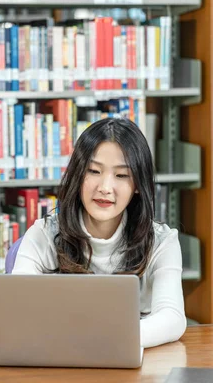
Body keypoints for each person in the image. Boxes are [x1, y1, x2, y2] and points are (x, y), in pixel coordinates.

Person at [11, 117, 186, 349]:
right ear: (77, 174)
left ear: (137, 186)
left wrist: (102, 340)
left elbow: (172, 318)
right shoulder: (43, 234)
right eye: (94, 171)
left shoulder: (162, 242)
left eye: (121, 175)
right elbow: (17, 312)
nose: (105, 187)